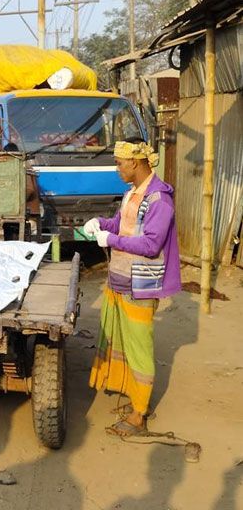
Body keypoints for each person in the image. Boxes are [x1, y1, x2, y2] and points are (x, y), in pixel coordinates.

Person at [82, 138, 180, 437]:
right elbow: (119, 224)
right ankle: (133, 397)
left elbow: (151, 244)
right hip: (121, 280)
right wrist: (100, 223)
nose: (117, 169)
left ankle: (140, 414)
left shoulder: (159, 200)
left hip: (141, 285)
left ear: (136, 163)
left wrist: (111, 241)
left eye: (120, 163)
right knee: (122, 341)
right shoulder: (131, 195)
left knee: (139, 349)